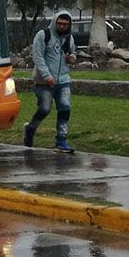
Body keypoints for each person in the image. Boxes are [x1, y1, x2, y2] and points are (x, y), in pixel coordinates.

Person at [23, 10, 77, 153]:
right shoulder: (43, 35)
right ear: (54, 22)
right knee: (44, 109)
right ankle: (30, 128)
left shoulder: (68, 38)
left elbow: (72, 53)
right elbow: (38, 57)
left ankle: (61, 140)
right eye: (59, 23)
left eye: (65, 24)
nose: (62, 27)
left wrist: (72, 58)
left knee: (65, 109)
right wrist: (47, 76)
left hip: (63, 80)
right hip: (44, 81)